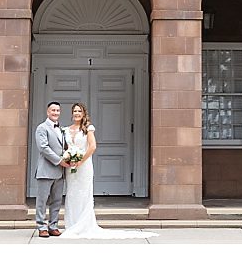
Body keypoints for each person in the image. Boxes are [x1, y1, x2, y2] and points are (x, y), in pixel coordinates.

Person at [58, 103, 155, 239]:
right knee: (72, 194)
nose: (77, 113)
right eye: (75, 111)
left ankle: (83, 225)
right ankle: (72, 225)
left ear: (83, 113)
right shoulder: (66, 130)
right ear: (72, 113)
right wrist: (68, 159)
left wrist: (80, 161)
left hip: (84, 166)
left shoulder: (88, 129)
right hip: (71, 168)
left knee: (84, 194)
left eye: (79, 111)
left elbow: (92, 147)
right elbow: (65, 148)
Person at [33, 101, 71, 238]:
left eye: (58, 111)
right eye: (53, 110)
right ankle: (41, 226)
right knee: (42, 201)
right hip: (46, 171)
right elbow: (43, 148)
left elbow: (64, 147)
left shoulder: (61, 129)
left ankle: (53, 226)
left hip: (60, 173)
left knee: (56, 201)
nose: (55, 113)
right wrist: (60, 161)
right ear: (48, 112)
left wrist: (70, 156)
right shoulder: (41, 128)